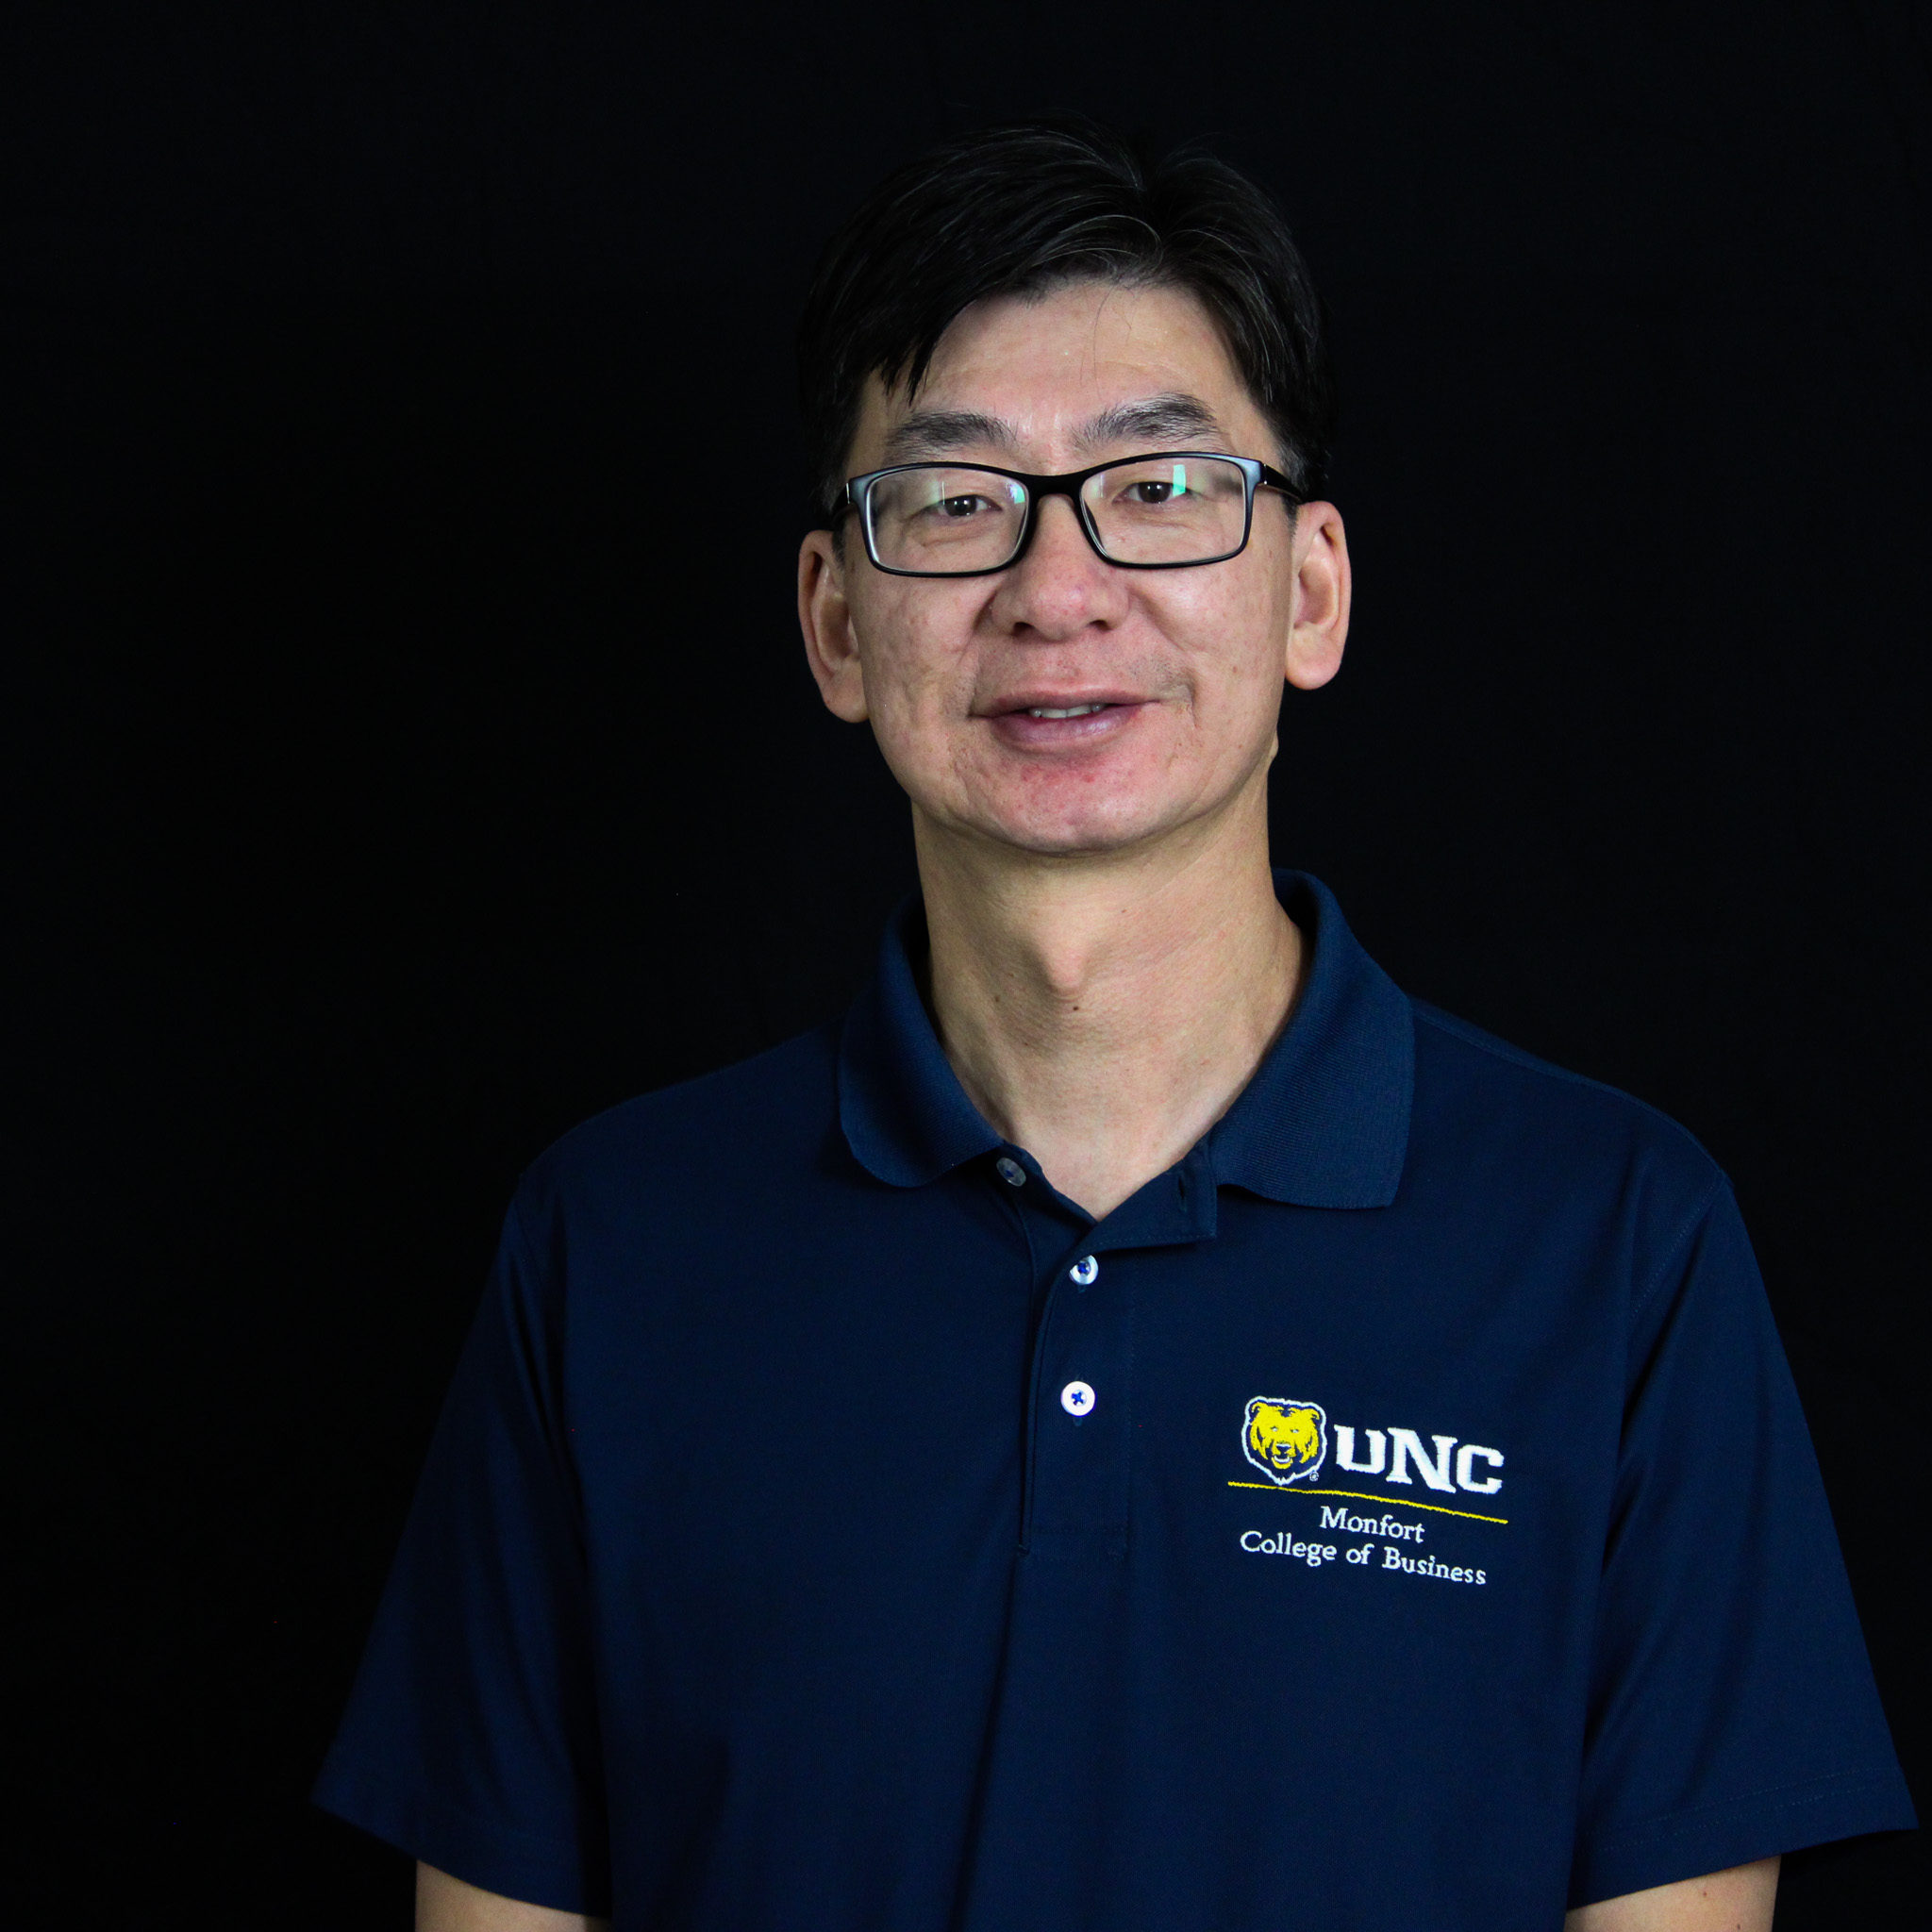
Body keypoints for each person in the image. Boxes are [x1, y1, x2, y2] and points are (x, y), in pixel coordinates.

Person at [315, 120, 1914, 1932]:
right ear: (836, 623)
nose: (1057, 589)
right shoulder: (610, 1247)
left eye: (1157, 488)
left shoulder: (1617, 1245)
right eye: (953, 500)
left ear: (1307, 591)